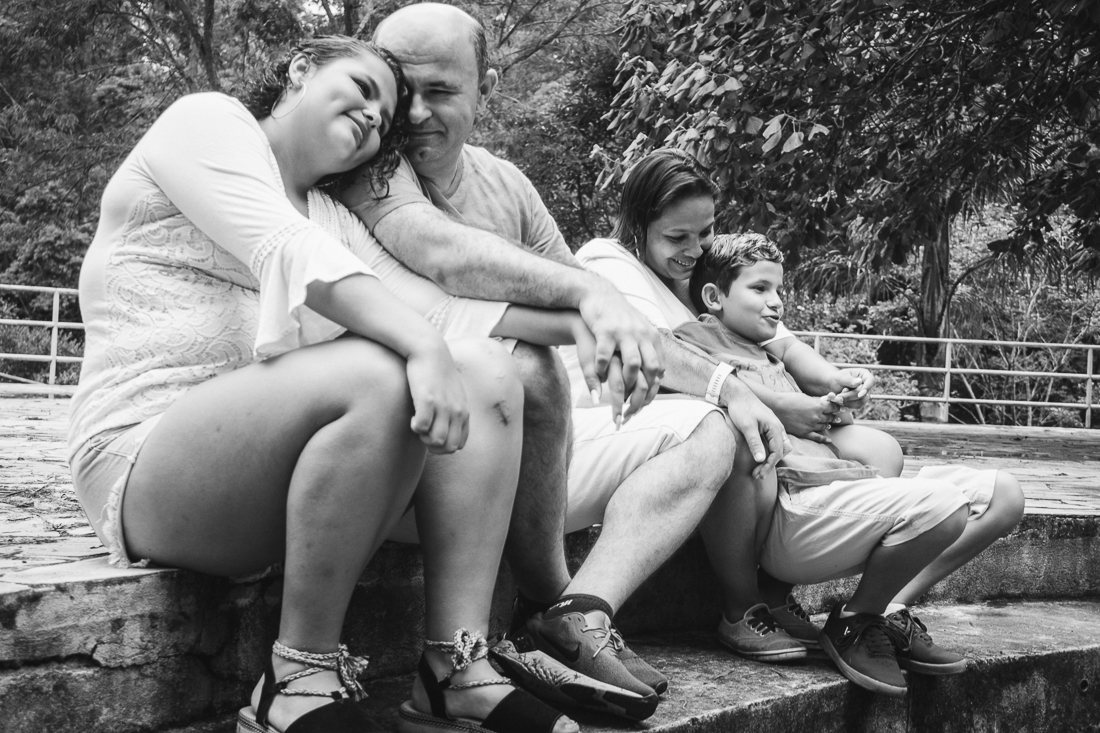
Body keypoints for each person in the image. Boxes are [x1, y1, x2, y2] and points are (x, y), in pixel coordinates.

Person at [68, 36, 577, 733]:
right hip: (146, 461)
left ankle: (456, 670)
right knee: (382, 368)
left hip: (263, 482)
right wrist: (421, 344)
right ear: (302, 67)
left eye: (385, 117)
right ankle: (297, 680)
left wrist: (597, 313)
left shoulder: (334, 216)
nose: (374, 116)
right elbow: (287, 247)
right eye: (363, 87)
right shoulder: (207, 122)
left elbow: (438, 309)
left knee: (489, 371)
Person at [337, 4, 788, 720]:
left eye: (442, 91)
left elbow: (611, 315)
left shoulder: (506, 186)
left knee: (710, 428)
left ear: (489, 82)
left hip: (524, 454)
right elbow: (444, 255)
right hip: (418, 455)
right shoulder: (367, 164)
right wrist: (589, 293)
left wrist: (725, 382)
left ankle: (574, 611)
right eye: (401, 87)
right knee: (528, 364)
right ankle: (543, 599)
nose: (413, 112)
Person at [571, 149, 915, 661]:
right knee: (731, 429)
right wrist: (772, 405)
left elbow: (780, 340)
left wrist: (831, 387)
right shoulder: (608, 261)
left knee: (882, 448)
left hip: (730, 407)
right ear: (637, 225)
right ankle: (743, 607)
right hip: (630, 417)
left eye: (704, 231)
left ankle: (780, 594)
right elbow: (658, 355)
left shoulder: (700, 274)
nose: (693, 248)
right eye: (676, 237)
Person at [673, 232, 1025, 695]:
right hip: (792, 508)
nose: (776, 302)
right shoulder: (693, 340)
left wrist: (841, 393)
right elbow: (690, 381)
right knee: (944, 506)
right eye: (759, 289)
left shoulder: (771, 350)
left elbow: (820, 386)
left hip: (838, 486)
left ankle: (886, 611)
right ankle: (854, 622)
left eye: (779, 290)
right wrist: (785, 405)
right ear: (714, 297)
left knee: (1005, 496)